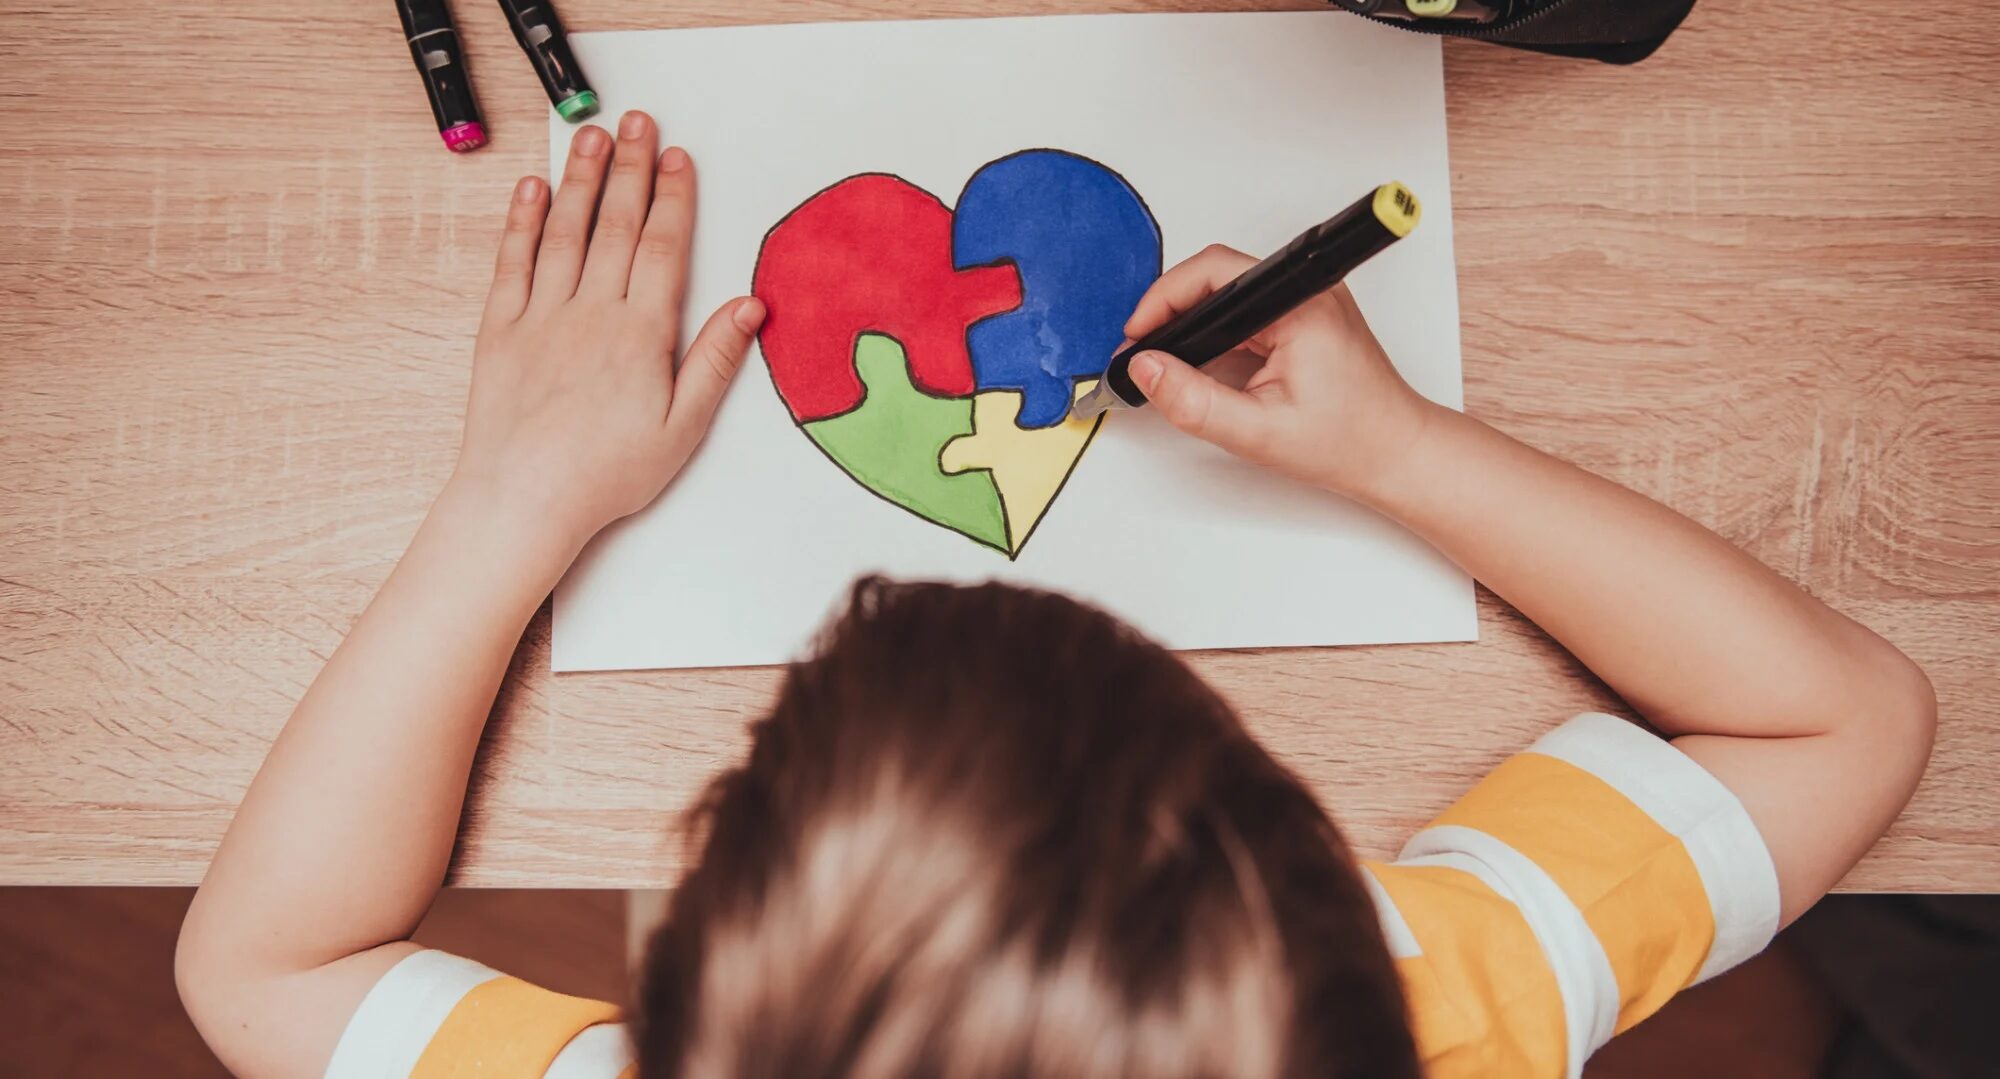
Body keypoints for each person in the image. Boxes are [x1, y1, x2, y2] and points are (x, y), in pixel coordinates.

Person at [174, 111, 1936, 1079]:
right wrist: (1397, 453)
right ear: (1317, 876)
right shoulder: (1427, 1015)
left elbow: (263, 961)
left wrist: (503, 514)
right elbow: (1841, 714)